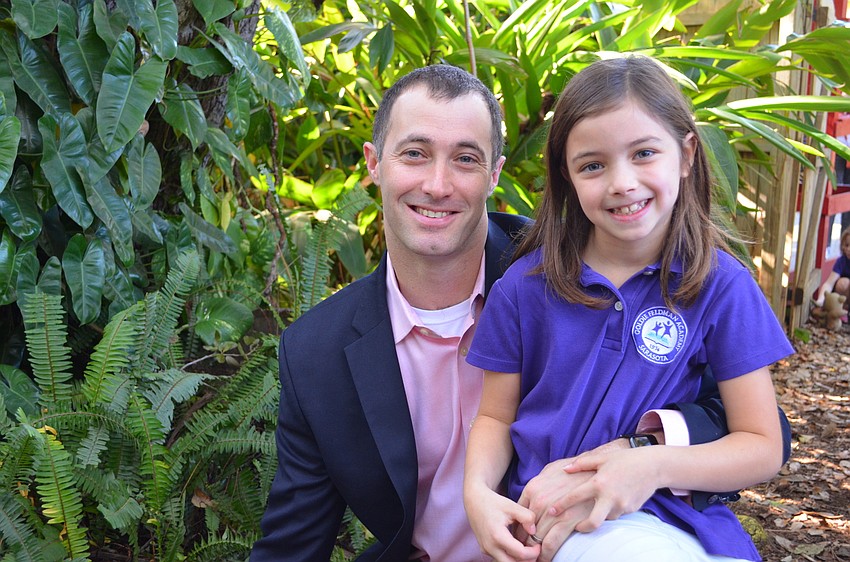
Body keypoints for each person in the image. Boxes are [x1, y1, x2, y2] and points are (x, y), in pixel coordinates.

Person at [251, 64, 790, 561]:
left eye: (466, 158)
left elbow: (763, 433)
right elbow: (293, 544)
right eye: (414, 153)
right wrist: (476, 491)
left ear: (495, 174)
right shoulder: (318, 352)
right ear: (374, 163)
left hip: (626, 532)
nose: (437, 184)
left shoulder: (663, 276)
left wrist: (638, 454)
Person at [463, 56, 795, 562]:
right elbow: (494, 415)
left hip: (677, 517)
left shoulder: (721, 285)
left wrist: (651, 465)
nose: (621, 182)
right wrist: (477, 493)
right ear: (567, 176)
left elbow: (762, 445)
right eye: (593, 165)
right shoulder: (524, 288)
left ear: (685, 155)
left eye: (644, 153)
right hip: (564, 521)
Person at [814, 225, 850, 309]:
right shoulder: (842, 261)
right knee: (843, 283)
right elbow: (829, 284)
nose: (848, 249)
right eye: (847, 245)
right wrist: (820, 300)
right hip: (842, 298)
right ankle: (842, 308)